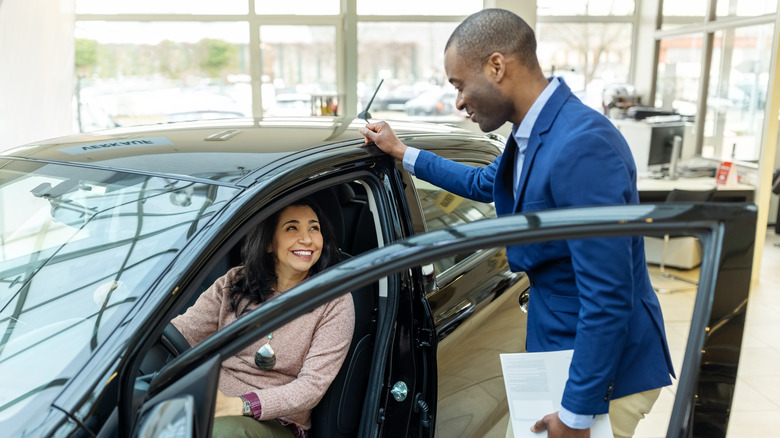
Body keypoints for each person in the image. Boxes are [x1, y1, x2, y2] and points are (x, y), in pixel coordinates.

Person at [359, 8, 674, 438]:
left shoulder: (583, 145)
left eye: (459, 84)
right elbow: (481, 180)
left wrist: (577, 414)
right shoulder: (530, 133)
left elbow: (609, 296)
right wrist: (402, 152)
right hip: (557, 352)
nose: (458, 101)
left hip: (603, 374)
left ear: (496, 66)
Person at [171, 198, 355, 438]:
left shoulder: (335, 299)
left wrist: (240, 405)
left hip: (276, 423)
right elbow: (180, 334)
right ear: (269, 243)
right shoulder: (236, 281)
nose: (307, 239)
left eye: (314, 228)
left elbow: (312, 387)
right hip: (210, 405)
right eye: (292, 228)